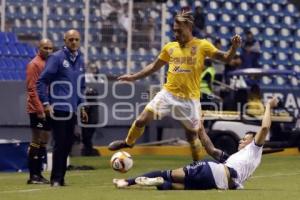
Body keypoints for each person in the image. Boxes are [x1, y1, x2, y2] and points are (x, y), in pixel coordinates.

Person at [108, 10, 242, 161]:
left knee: (196, 135)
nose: (176, 34)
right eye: (174, 31)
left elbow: (225, 58)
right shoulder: (170, 47)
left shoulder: (202, 45)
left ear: (189, 27)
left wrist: (234, 47)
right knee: (141, 120)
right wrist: (133, 77)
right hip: (168, 94)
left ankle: (208, 160)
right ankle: (128, 142)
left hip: (189, 100)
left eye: (179, 31)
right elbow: (153, 67)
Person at [113, 97, 279, 190]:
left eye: (245, 138)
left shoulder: (254, 149)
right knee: (173, 185)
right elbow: (210, 148)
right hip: (216, 183)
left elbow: (264, 128)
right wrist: (200, 129)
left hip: (215, 172)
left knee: (166, 173)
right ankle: (159, 183)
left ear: (252, 142)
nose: (242, 140)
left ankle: (127, 182)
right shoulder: (234, 158)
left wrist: (268, 106)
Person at [37, 29, 88, 187]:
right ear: (65, 41)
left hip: (72, 109)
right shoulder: (56, 58)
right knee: (60, 143)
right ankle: (56, 179)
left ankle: (61, 177)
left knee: (67, 144)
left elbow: (81, 86)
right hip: (58, 109)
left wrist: (82, 106)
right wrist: (46, 103)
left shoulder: (80, 59)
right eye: (70, 39)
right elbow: (41, 81)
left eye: (76, 39)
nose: (74, 42)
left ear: (80, 41)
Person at [26, 39, 54, 184]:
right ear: (39, 48)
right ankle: (33, 175)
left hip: (47, 107)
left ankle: (39, 173)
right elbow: (32, 89)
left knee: (44, 140)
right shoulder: (34, 64)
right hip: (37, 109)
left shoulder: (49, 64)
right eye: (45, 48)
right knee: (36, 140)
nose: (48, 51)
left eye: (50, 48)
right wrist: (39, 109)